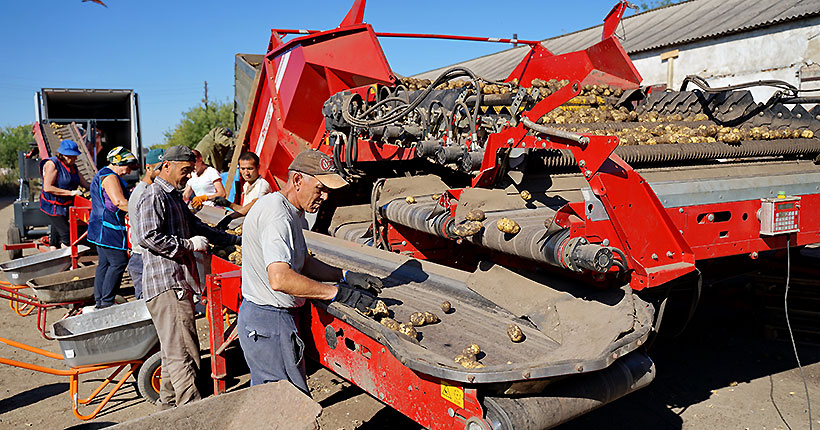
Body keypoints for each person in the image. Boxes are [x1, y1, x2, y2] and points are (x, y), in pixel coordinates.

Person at [238, 150, 383, 394]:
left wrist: (344, 275)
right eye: (320, 188)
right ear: (297, 180)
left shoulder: (291, 212)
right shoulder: (277, 216)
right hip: (270, 321)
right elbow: (280, 278)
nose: (325, 196)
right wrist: (336, 293)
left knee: (274, 399)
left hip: (268, 320)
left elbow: (302, 262)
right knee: (286, 402)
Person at [134, 145, 241, 409]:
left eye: (191, 170)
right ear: (166, 166)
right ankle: (191, 411)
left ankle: (167, 409)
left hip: (176, 283)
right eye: (185, 170)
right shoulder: (154, 195)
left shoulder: (173, 197)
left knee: (173, 353)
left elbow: (197, 227)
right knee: (184, 353)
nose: (189, 176)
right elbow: (147, 236)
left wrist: (235, 240)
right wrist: (188, 245)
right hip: (167, 284)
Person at [88, 146, 136, 309]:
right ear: (118, 163)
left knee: (105, 263)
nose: (129, 171)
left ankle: (100, 301)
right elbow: (119, 202)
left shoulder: (102, 174)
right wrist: (141, 210)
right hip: (108, 227)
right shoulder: (110, 177)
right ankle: (107, 302)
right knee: (118, 262)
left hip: (99, 226)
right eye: (127, 166)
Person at [126, 148, 164, 300]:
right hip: (143, 257)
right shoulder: (144, 193)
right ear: (148, 168)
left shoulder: (148, 190)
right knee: (147, 303)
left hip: (143, 255)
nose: (162, 173)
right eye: (159, 169)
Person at [39, 140, 90, 250]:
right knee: (66, 234)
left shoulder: (73, 166)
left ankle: (53, 250)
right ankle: (66, 256)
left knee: (57, 231)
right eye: (70, 156)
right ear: (62, 155)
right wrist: (71, 193)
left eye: (75, 156)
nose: (74, 158)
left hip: (66, 204)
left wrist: (99, 188)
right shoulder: (52, 164)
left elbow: (85, 184)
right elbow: (47, 188)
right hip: (53, 205)